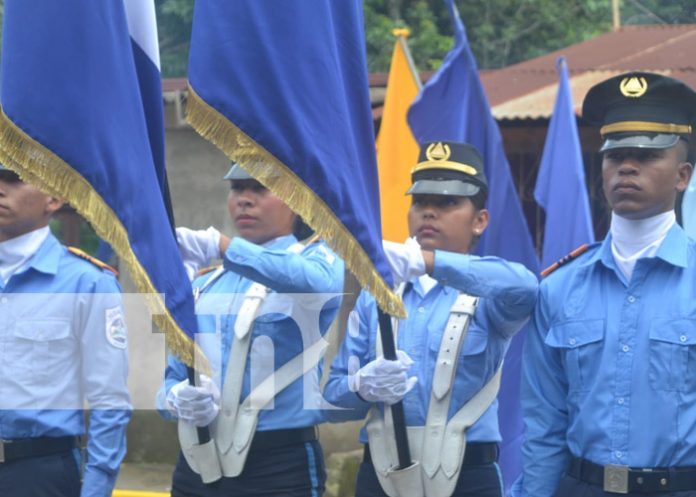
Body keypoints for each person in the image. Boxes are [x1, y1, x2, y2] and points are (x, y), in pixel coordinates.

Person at [323, 141, 538, 497]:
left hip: (467, 477)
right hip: (380, 473)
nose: (429, 213)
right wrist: (360, 387)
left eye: (448, 203)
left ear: (480, 221)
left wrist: (428, 263)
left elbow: (526, 288)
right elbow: (331, 400)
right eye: (420, 202)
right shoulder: (376, 294)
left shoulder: (488, 294)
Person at [518, 72, 696, 497]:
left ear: (682, 175)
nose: (627, 166)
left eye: (646, 155)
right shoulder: (559, 289)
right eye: (614, 155)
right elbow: (544, 424)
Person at [162, 163, 344, 497]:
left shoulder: (316, 260)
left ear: (297, 199)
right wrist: (176, 398)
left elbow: (318, 284)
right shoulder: (205, 282)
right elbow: (170, 377)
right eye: (237, 189)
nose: (244, 200)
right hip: (198, 461)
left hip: (277, 465)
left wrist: (225, 247)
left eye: (259, 188)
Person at [0, 164, 131, 497]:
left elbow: (109, 398)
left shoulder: (87, 283)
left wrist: (97, 485)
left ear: (54, 197)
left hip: (36, 472)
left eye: (13, 179)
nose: (1, 188)